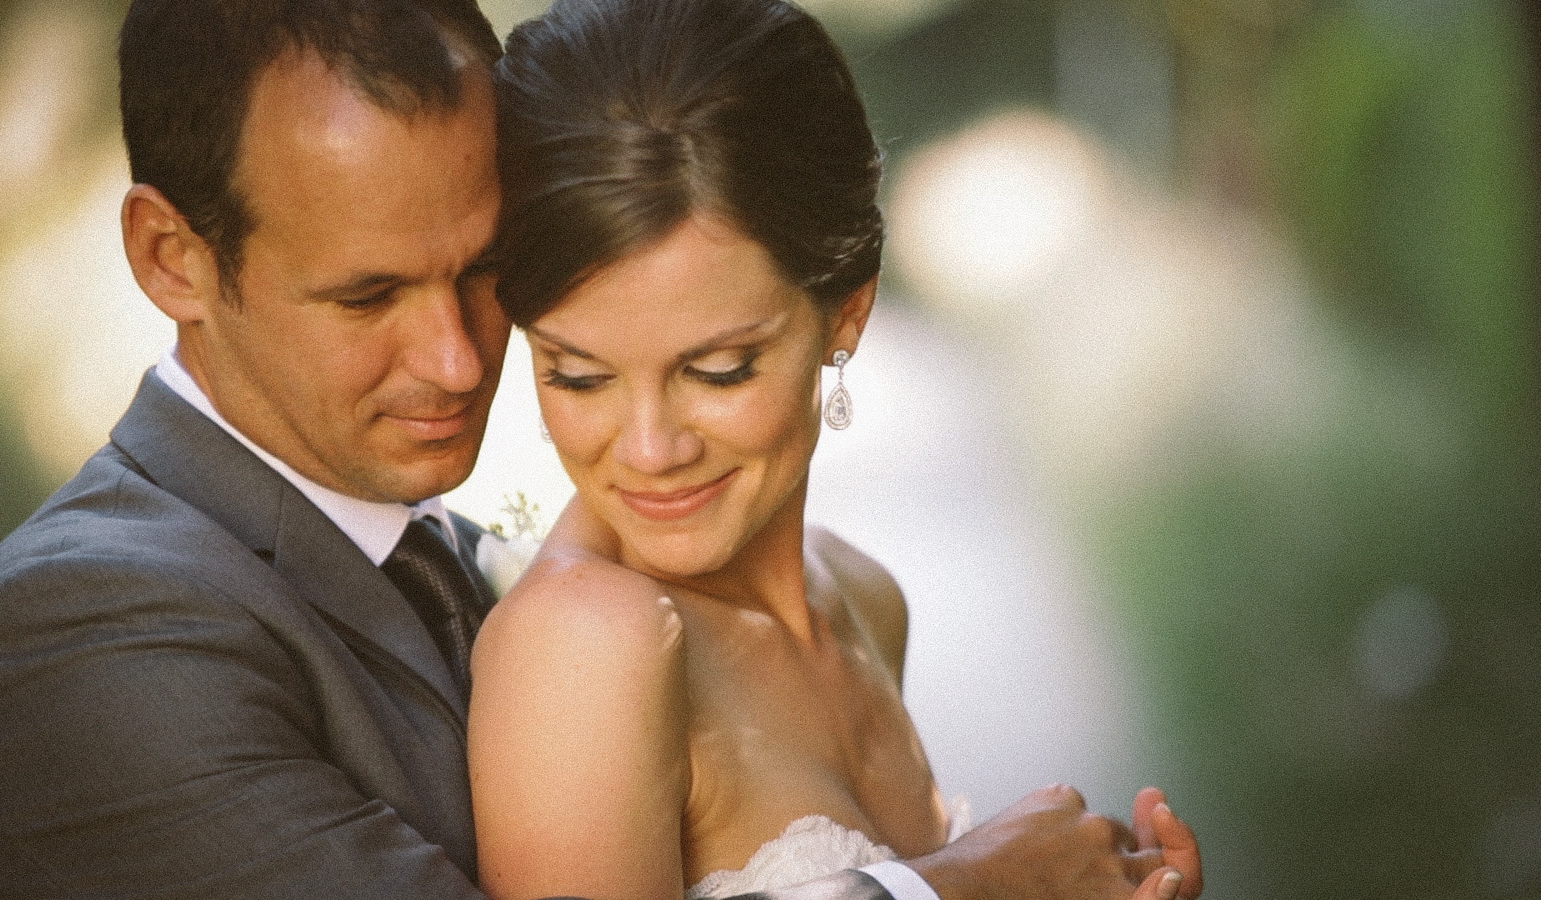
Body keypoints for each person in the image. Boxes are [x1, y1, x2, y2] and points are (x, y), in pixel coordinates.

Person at [0, 1, 1196, 899]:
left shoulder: (512, 564)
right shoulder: (76, 629)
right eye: (368, 295)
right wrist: (956, 891)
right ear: (173, 258)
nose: (454, 359)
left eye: (487, 274)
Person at [470, 2, 1201, 900]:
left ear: (846, 313)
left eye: (719, 370)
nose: (651, 449)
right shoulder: (586, 644)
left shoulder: (864, 598)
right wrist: (976, 882)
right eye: (577, 375)